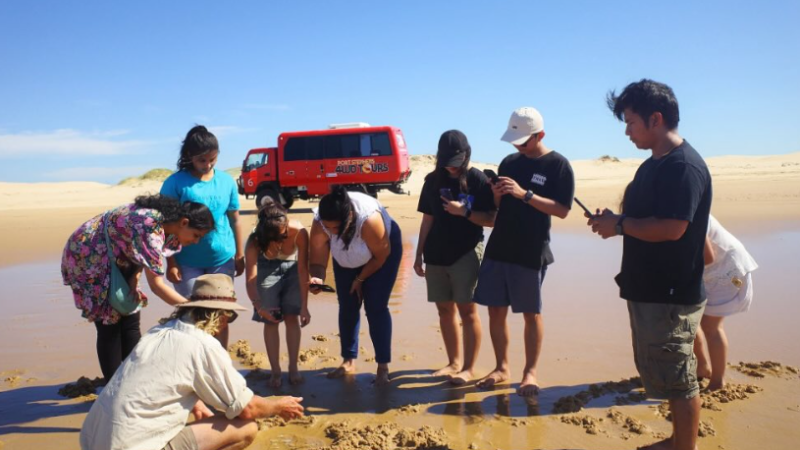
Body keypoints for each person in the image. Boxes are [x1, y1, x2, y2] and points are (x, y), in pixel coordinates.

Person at [588, 79, 712, 450]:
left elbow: (674, 228)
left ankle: (683, 446)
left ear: (655, 119)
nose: (626, 131)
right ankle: (677, 440)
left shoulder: (683, 167)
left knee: (680, 378)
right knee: (667, 373)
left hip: (671, 293)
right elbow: (645, 218)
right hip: (650, 289)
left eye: (630, 122)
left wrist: (621, 225)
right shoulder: (652, 165)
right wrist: (614, 220)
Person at [79, 274, 305, 450]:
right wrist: (278, 404)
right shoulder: (203, 345)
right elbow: (247, 408)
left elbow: (164, 375)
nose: (229, 322)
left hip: (94, 440)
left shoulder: (159, 331)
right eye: (230, 316)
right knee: (246, 427)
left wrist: (197, 404)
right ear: (219, 315)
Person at [472, 107, 574, 396]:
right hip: (499, 246)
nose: (518, 146)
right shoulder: (509, 162)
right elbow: (500, 207)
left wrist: (524, 194)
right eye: (515, 140)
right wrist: (497, 194)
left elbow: (563, 210)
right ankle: (501, 367)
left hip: (531, 249)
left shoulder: (558, 166)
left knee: (531, 313)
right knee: (495, 311)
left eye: (524, 141)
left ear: (540, 135)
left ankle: (530, 372)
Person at [62, 194, 215, 381]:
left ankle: (133, 378)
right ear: (184, 222)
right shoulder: (151, 228)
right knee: (110, 324)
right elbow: (157, 286)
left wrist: (134, 277)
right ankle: (114, 388)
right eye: (196, 235)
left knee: (131, 317)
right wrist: (195, 307)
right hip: (89, 255)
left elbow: (135, 246)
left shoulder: (166, 225)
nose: (196, 241)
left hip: (117, 255)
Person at [414, 130, 496, 385]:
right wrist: (418, 254)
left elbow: (492, 219)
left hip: (466, 252)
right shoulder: (431, 181)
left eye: (456, 160)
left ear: (466, 155)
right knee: (444, 310)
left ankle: (469, 368)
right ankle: (453, 363)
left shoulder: (478, 180)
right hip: (436, 254)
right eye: (447, 160)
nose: (451, 166)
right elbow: (427, 219)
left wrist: (465, 212)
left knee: (467, 310)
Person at [308, 185, 403, 386]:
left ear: (349, 217)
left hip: (381, 254)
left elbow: (381, 256)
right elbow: (317, 261)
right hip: (347, 258)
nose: (332, 232)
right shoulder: (320, 224)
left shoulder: (369, 220)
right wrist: (317, 278)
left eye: (336, 228)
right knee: (348, 304)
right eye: (328, 228)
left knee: (375, 307)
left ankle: (383, 366)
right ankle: (348, 361)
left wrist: (360, 279)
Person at [161, 125, 246, 347]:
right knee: (193, 317)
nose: (207, 165)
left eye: (212, 160)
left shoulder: (226, 181)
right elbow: (166, 226)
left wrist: (239, 253)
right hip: (186, 261)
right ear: (189, 156)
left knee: (221, 315)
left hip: (222, 258)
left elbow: (235, 219)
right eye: (202, 160)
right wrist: (171, 262)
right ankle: (196, 364)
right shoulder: (175, 183)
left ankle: (220, 362)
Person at [245, 197, 311, 388]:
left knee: (292, 318)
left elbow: (303, 270)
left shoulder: (298, 231)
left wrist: (305, 307)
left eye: (284, 234)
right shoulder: (254, 241)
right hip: (265, 269)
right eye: (277, 237)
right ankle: (275, 371)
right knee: (271, 320)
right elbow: (250, 279)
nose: (283, 239)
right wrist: (259, 307)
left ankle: (293, 368)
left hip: (293, 268)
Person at [693, 215, 758, 391]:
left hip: (726, 267)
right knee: (689, 319)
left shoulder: (687, 210)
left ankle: (717, 381)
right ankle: (702, 367)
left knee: (710, 326)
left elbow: (708, 256)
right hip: (702, 269)